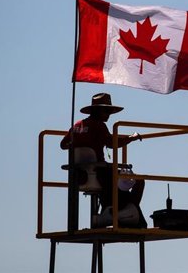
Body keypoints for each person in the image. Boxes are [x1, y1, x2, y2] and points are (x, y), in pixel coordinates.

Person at [60, 92, 146, 227]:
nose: (109, 114)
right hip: (102, 175)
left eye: (110, 111)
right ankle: (125, 215)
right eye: (106, 110)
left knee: (118, 182)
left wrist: (80, 142)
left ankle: (112, 213)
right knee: (139, 181)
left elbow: (63, 145)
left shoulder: (77, 125)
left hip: (78, 176)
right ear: (97, 110)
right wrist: (132, 138)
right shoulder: (98, 125)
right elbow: (112, 144)